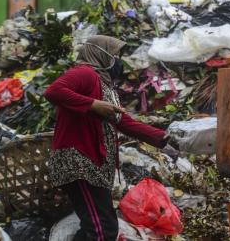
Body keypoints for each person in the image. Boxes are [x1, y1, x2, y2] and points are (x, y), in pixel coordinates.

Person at [44, 35, 169, 240]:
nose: (118, 61)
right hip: (78, 162)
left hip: (93, 163)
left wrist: (164, 138)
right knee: (100, 229)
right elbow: (53, 91)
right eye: (115, 55)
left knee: (105, 225)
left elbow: (123, 121)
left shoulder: (105, 84)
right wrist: (92, 104)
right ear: (100, 54)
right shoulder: (84, 73)